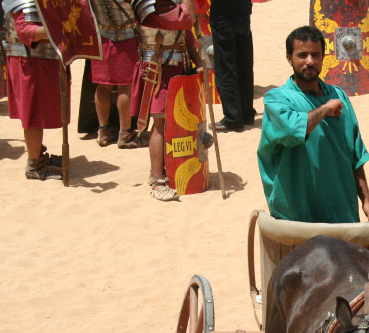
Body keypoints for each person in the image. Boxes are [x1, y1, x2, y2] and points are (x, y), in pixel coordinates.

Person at [257, 25, 369, 223]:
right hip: (297, 216)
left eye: (316, 55)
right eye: (302, 55)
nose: (310, 61)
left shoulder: (339, 96)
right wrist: (324, 110)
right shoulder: (276, 100)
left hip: (341, 212)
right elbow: (292, 129)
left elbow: (355, 155)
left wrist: (366, 201)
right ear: (289, 58)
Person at [130, 0, 200, 201]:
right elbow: (186, 19)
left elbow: (185, 34)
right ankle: (159, 180)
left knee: (172, 124)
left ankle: (164, 169)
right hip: (158, 70)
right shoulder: (149, 4)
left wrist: (197, 59)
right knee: (159, 124)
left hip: (178, 66)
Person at [1, 0, 65, 180]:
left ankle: (37, 154)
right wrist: (60, 29)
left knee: (39, 111)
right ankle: (34, 165)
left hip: (37, 58)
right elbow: (25, 31)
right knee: (33, 113)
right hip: (29, 60)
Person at [89, 0, 143, 148]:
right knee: (125, 87)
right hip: (126, 35)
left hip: (101, 36)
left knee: (103, 85)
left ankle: (103, 132)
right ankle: (125, 134)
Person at [210, 0, 256, 132]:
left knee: (226, 69)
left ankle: (233, 118)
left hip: (224, 17)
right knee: (244, 67)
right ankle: (246, 114)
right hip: (242, 13)